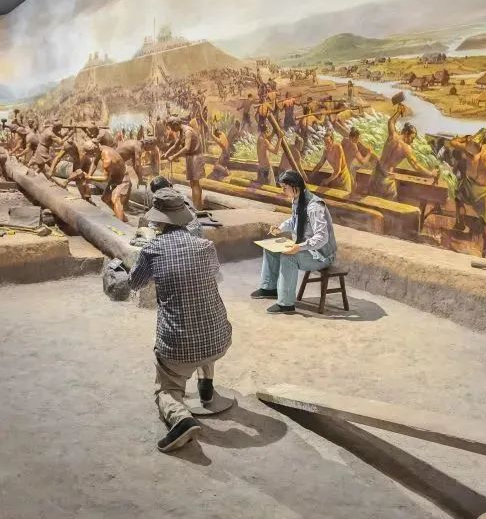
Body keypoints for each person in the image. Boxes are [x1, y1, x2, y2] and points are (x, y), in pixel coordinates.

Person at [128, 188, 232, 453]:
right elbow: (215, 275)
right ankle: (206, 387)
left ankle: (181, 419)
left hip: (179, 347)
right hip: (219, 337)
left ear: (158, 221)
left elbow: (135, 283)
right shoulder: (205, 246)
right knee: (203, 319)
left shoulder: (153, 249)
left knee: (166, 389)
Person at [252, 170, 338, 314]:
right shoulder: (297, 199)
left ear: (294, 186)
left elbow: (322, 237)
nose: (283, 191)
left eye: (284, 188)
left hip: (321, 255)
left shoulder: (315, 206)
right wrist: (280, 228)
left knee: (288, 257)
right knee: (270, 248)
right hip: (306, 249)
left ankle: (286, 304)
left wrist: (298, 247)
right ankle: (269, 288)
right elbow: (294, 220)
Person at [366, 106, 438, 200]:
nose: (412, 141)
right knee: (391, 203)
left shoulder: (392, 136)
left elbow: (391, 122)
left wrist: (399, 112)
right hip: (386, 180)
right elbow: (416, 166)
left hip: (376, 174)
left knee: (371, 198)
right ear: (407, 133)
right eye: (412, 138)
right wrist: (431, 174)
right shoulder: (406, 148)